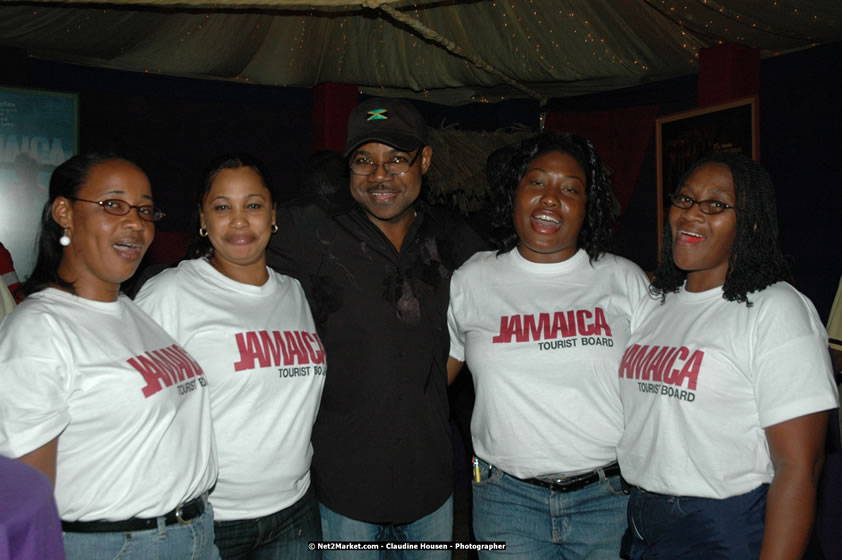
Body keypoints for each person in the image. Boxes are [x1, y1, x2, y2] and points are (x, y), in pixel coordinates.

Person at [266, 97, 485, 555]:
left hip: (430, 483)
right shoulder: (310, 229)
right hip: (343, 485)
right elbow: (233, 251)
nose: (379, 175)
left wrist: (430, 380)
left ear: (424, 160)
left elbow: (509, 296)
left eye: (396, 160)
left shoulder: (454, 239)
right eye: (364, 160)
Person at [616, 152, 838, 559]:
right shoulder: (656, 303)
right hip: (641, 517)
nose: (692, 214)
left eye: (715, 205)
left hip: (726, 525)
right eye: (684, 199)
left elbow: (799, 468)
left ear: (750, 223)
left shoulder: (776, 308)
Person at [0, 153, 218, 559]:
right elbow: (26, 499)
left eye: (146, 210)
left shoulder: (129, 308)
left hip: (193, 535)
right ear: (64, 212)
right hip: (118, 546)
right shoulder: (39, 330)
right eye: (113, 205)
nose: (136, 222)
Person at [446, 131, 649, 558]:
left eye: (570, 189)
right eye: (537, 182)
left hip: (609, 499)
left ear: (588, 205)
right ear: (514, 192)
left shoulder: (623, 279)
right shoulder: (473, 279)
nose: (551, 199)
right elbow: (431, 380)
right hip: (506, 500)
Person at [135, 154, 325, 559]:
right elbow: (133, 408)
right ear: (203, 218)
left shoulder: (293, 292)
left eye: (253, 205)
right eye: (223, 207)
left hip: (295, 510)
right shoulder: (171, 293)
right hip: (210, 519)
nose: (239, 221)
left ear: (273, 214)